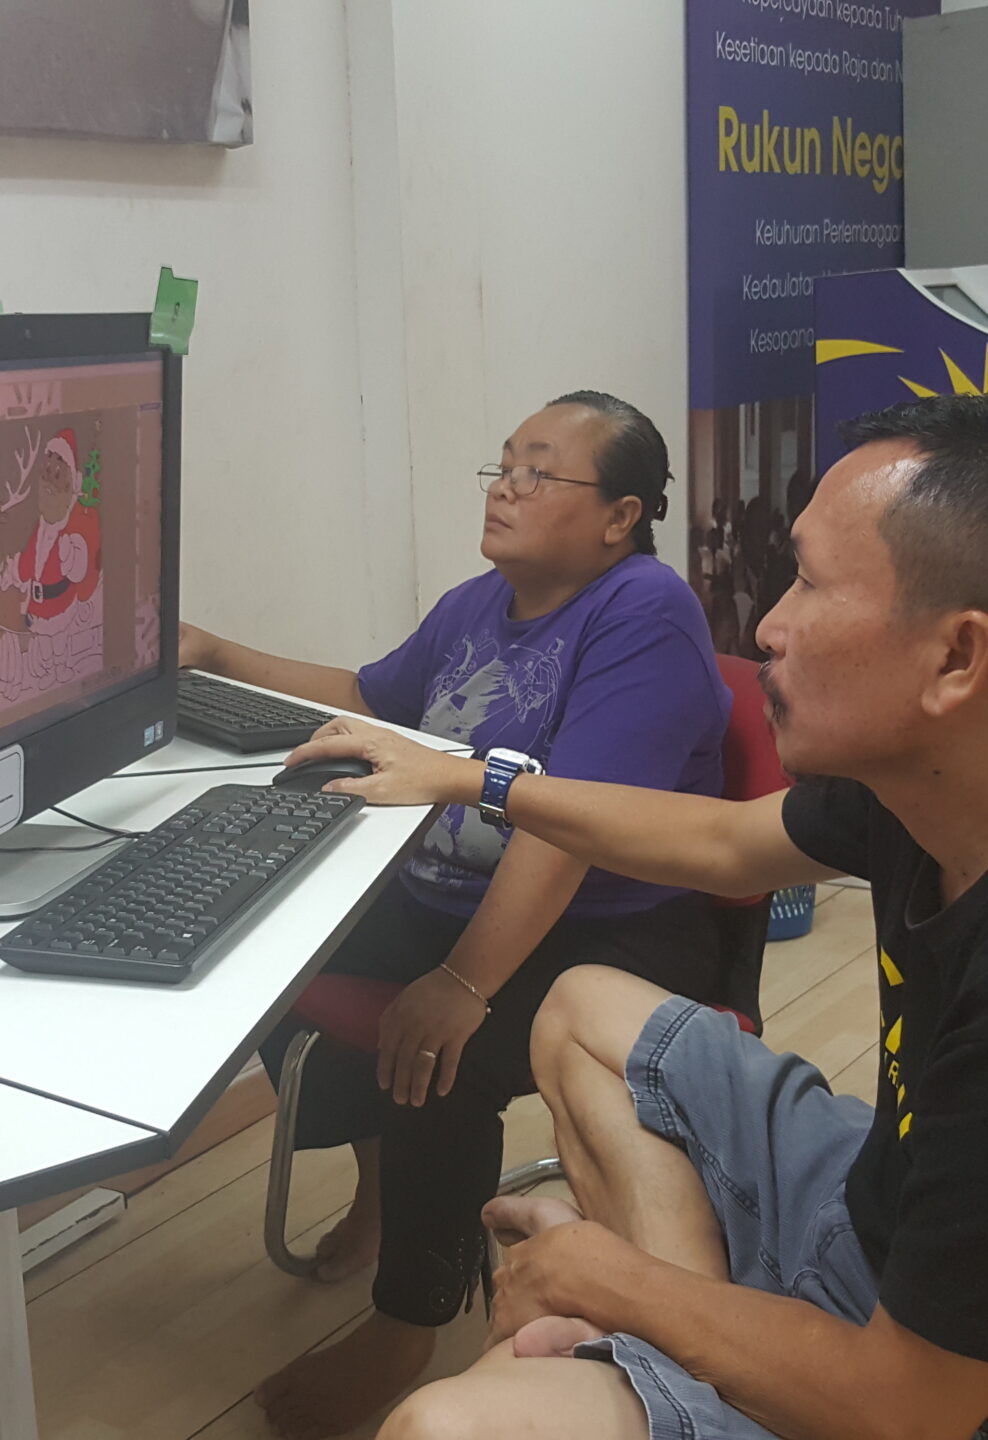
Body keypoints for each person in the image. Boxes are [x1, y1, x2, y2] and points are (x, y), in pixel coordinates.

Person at [289, 394, 988, 1440]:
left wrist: (606, 1280)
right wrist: (475, 780)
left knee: (441, 1429)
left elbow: (904, 1408)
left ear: (957, 658)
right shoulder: (975, 773)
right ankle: (688, 1356)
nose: (767, 628)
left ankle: (673, 1352)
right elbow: (720, 841)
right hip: (887, 1203)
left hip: (957, 1392)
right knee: (582, 1006)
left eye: (811, 585)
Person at [179, 392, 733, 1438]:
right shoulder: (478, 604)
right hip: (456, 893)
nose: (506, 489)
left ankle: (409, 1323)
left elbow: (569, 829)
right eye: (503, 467)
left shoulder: (644, 612)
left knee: (443, 1052)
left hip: (609, 927)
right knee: (271, 946)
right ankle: (384, 1192)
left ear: (619, 516)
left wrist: (463, 984)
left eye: (539, 472)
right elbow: (366, 696)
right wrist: (214, 651)